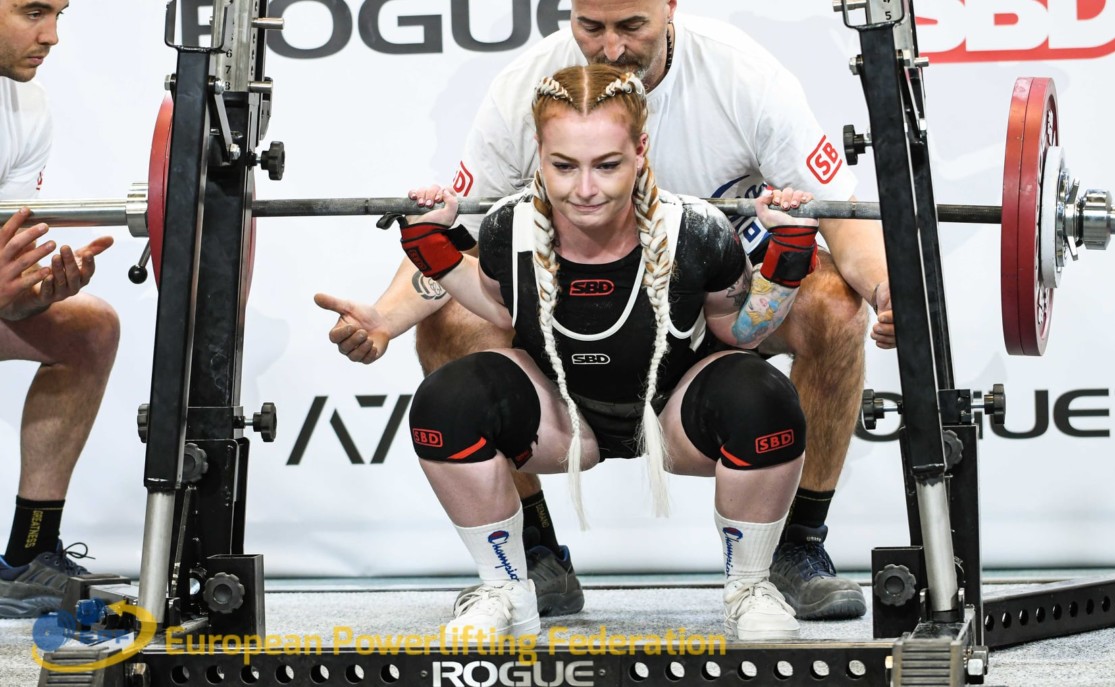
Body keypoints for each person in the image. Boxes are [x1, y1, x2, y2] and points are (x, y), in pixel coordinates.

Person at [317, 0, 894, 621]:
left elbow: (838, 215)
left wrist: (889, 293)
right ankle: (531, 557)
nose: (611, 48)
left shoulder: (744, 79)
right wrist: (384, 317)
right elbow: (464, 247)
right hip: (571, 326)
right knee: (450, 325)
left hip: (712, 302)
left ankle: (795, 546)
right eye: (591, 27)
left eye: (632, 26)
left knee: (835, 304)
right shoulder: (524, 89)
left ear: (669, 8)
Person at [402, 64, 830, 640]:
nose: (585, 189)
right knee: (446, 402)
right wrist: (435, 246)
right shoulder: (508, 227)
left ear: (639, 150)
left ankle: (750, 587)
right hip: (561, 420)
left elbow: (742, 332)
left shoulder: (697, 229)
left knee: (764, 397)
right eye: (563, 166)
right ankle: (505, 588)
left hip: (674, 416)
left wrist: (789, 255)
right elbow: (503, 309)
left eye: (606, 165)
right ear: (539, 153)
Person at [0, 0, 119, 618]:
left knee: (86, 328)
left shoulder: (26, 105)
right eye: (31, 12)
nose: (51, 36)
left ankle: (28, 555)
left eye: (58, 15)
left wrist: (30, 296)